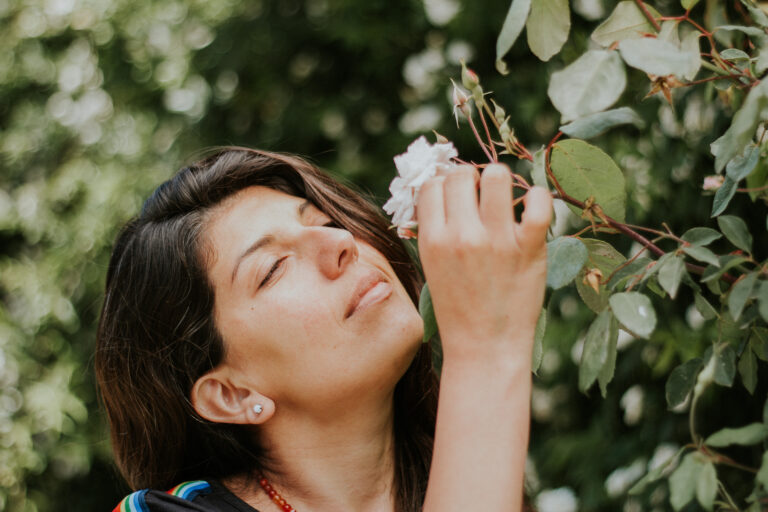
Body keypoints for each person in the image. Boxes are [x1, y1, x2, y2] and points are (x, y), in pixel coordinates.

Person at [96, 147, 552, 512]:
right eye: (273, 268)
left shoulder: (470, 469)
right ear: (230, 394)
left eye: (325, 222)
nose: (341, 243)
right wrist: (484, 353)